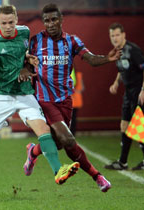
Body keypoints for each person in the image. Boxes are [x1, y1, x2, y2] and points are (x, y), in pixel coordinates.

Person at [0, 4, 80, 200]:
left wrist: (29, 59)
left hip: (25, 93)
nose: (8, 26)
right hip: (1, 96)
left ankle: (58, 170)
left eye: (11, 22)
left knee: (43, 130)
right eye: (4, 23)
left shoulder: (24, 33)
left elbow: (23, 54)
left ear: (17, 20)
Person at [20, 3, 121, 192]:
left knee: (58, 143)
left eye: (54, 19)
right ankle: (97, 176)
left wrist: (107, 59)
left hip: (65, 100)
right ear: (43, 22)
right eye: (46, 21)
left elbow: (89, 58)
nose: (50, 24)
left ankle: (33, 152)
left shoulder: (72, 41)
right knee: (68, 140)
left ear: (61, 20)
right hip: (44, 100)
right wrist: (25, 69)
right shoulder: (35, 41)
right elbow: (25, 63)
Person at [104, 23, 144, 170]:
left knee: (139, 127)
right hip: (128, 93)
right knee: (124, 125)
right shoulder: (118, 52)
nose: (115, 38)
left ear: (123, 35)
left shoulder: (133, 50)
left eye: (117, 35)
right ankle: (123, 162)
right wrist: (115, 83)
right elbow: (122, 69)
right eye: (112, 35)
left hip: (138, 92)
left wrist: (143, 90)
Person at [70, 67, 84, 136]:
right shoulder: (79, 75)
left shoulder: (67, 75)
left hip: (70, 100)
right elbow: (82, 88)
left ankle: (68, 133)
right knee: (73, 119)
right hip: (77, 100)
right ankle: (72, 133)